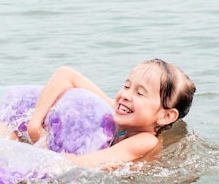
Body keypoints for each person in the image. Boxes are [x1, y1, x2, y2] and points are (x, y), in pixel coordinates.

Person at [26, 59, 196, 168]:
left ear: (166, 116)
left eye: (140, 93)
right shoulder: (119, 110)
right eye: (127, 86)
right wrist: (35, 124)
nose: (126, 95)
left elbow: (79, 164)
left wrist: (44, 145)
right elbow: (65, 74)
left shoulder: (146, 141)